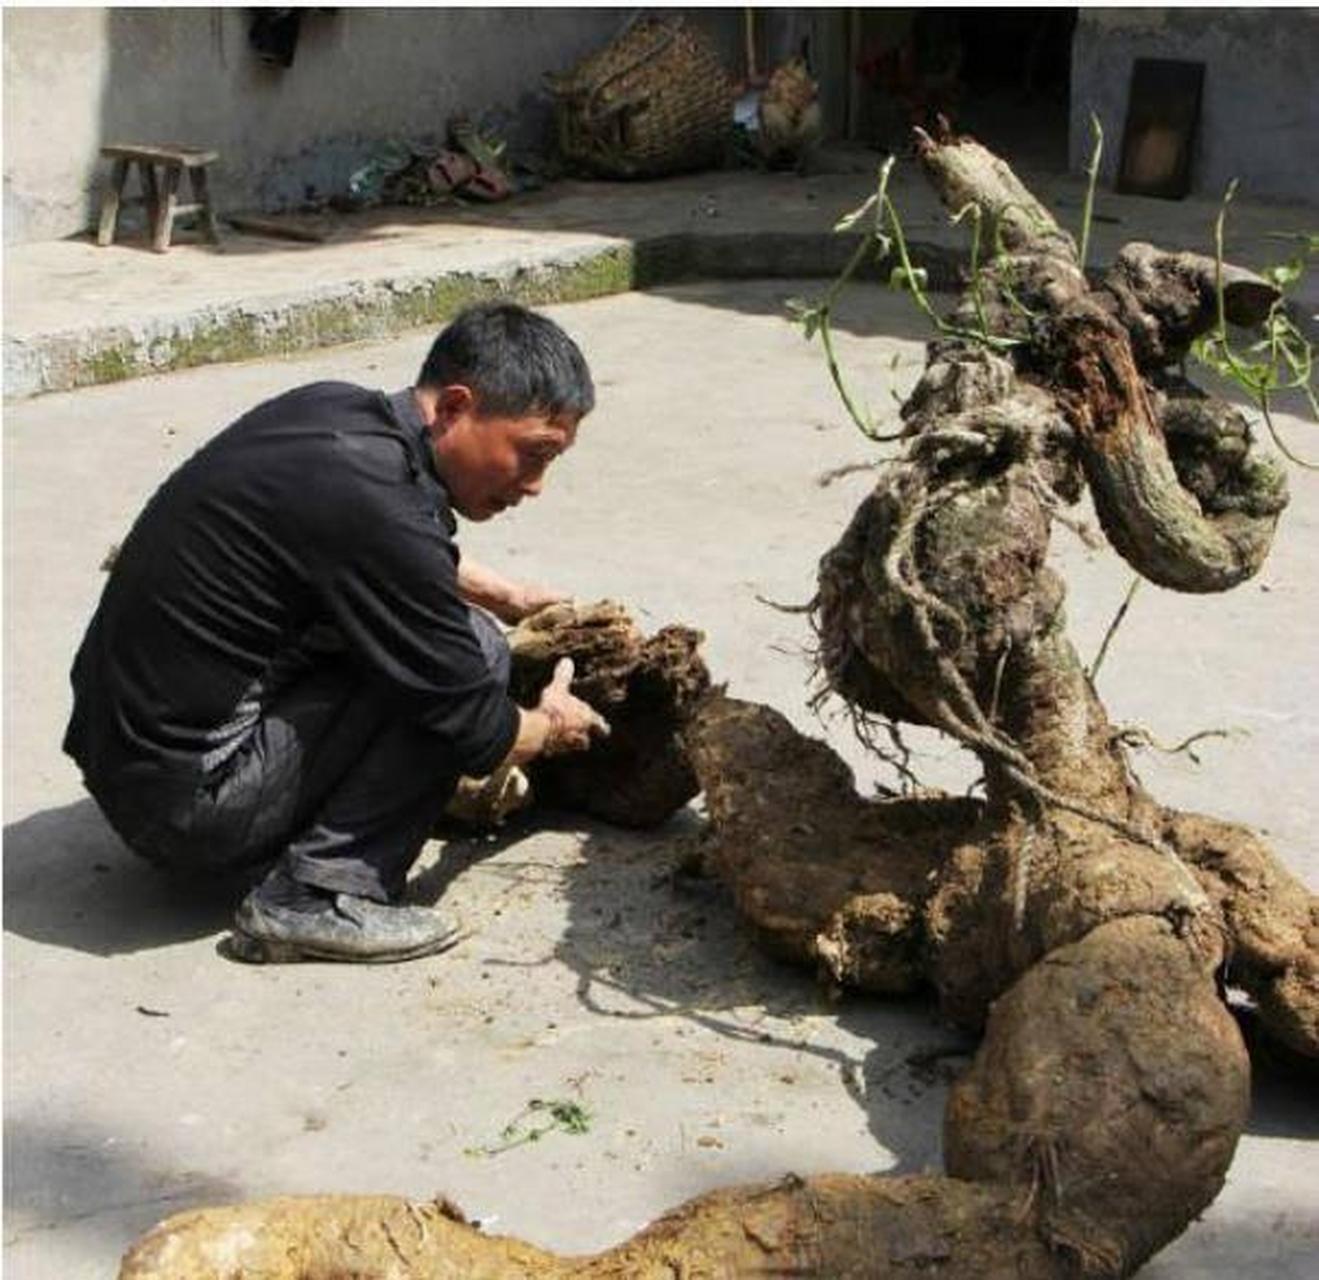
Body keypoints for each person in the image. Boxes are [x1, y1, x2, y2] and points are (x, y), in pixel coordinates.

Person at [63, 302, 610, 964]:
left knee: (443, 633)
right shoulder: (377, 504)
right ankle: (313, 897)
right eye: (533, 453)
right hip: (190, 807)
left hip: (126, 759)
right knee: (471, 655)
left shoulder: (336, 417)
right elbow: (472, 723)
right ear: (456, 407)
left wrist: (508, 594)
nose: (535, 486)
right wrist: (551, 727)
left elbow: (382, 543)